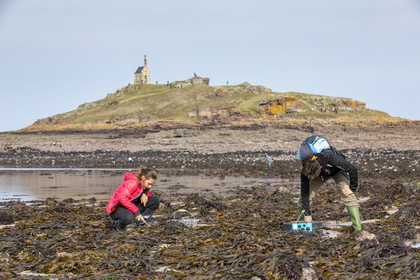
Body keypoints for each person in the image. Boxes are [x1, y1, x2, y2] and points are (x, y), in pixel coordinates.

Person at [297, 135, 362, 231]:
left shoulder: (330, 157)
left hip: (337, 171)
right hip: (317, 173)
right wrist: (307, 213)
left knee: (349, 196)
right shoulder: (305, 169)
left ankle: (358, 230)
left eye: (311, 177)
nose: (309, 178)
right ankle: (301, 227)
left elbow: (353, 169)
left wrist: (352, 188)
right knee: (303, 198)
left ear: (318, 171)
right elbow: (304, 192)